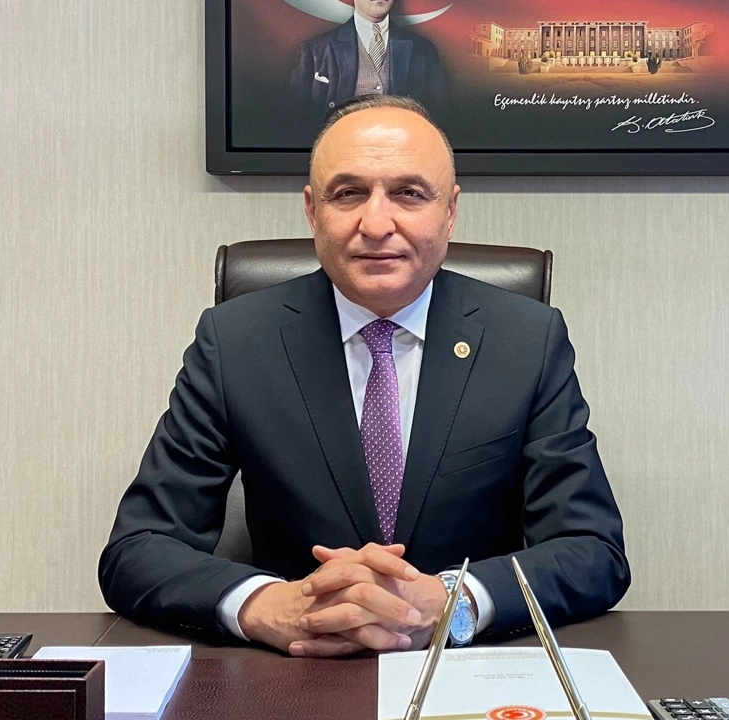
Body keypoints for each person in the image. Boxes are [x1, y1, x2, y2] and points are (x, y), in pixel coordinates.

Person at [98, 95, 628, 658]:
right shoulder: (235, 342)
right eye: (348, 193)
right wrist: (269, 605)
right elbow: (138, 548)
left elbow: (592, 549)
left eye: (409, 193)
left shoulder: (526, 340)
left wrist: (452, 602)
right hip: (292, 672)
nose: (376, 224)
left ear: (450, 211)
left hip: (463, 672)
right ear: (312, 210)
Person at [289, 0, 448, 122]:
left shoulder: (423, 51)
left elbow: (438, 117)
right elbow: (297, 121)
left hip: (401, 150)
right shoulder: (315, 51)